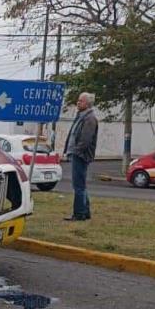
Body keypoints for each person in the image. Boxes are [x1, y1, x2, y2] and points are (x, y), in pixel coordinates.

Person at [62, 92, 98, 221]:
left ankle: (79, 214)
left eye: (81, 101)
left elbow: (86, 139)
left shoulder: (89, 118)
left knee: (78, 186)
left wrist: (77, 151)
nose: (78, 103)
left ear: (87, 104)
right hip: (76, 154)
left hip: (81, 155)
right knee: (80, 185)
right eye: (78, 100)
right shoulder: (81, 116)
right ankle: (85, 212)